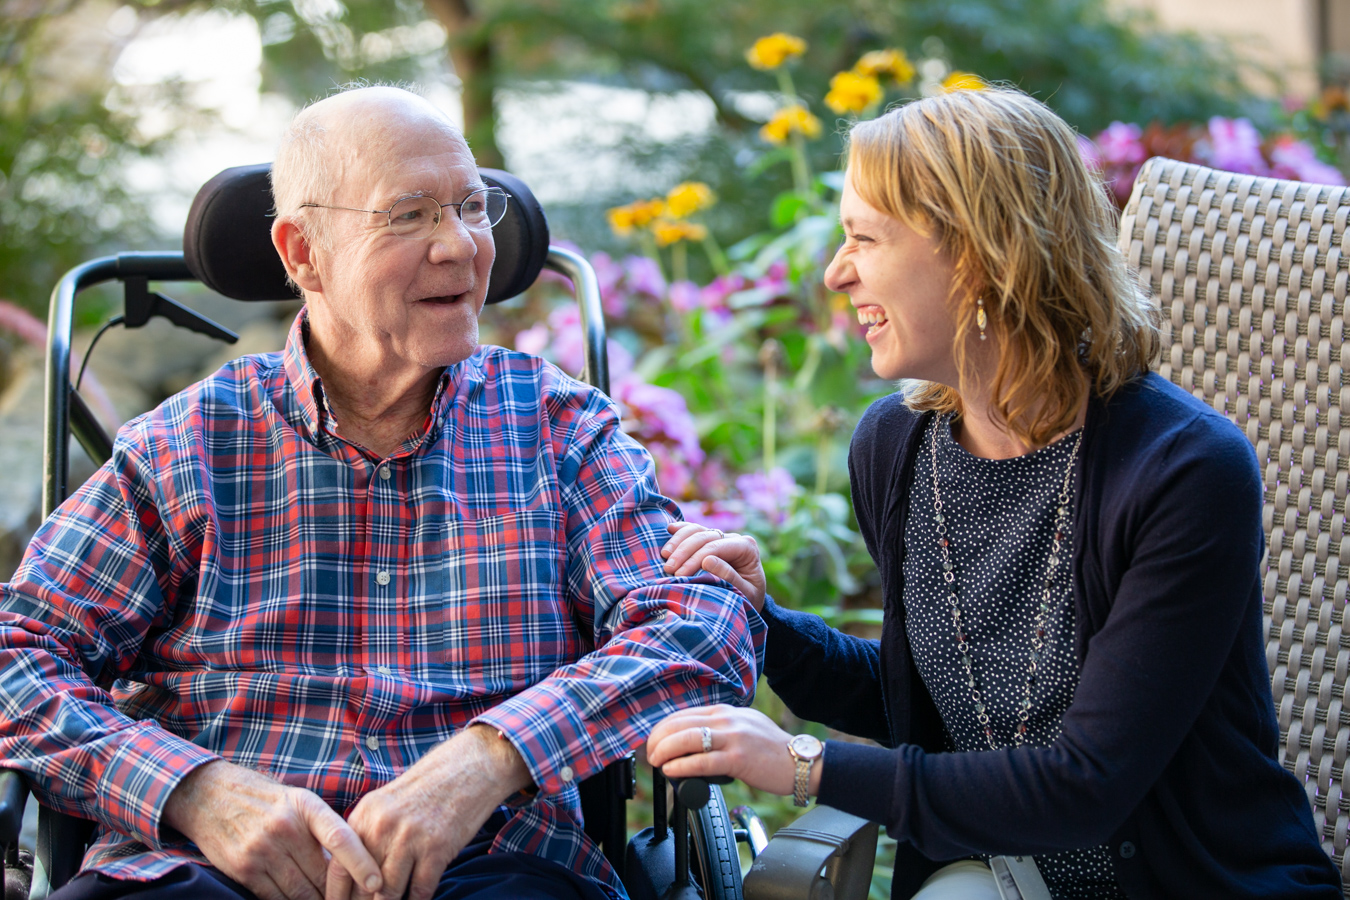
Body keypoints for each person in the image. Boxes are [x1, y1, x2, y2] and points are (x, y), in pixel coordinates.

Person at [0, 86, 763, 900]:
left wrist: (490, 759)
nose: (461, 247)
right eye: (409, 215)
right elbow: (19, 651)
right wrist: (193, 790)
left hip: (489, 867)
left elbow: (701, 624)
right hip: (205, 870)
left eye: (473, 208)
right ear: (302, 253)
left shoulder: (560, 429)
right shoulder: (187, 446)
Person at [646, 87, 1343, 899]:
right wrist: (759, 625)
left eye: (863, 239)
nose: (837, 273)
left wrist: (803, 766)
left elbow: (1087, 785)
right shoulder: (894, 448)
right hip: (998, 878)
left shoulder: (1183, 470)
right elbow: (944, 703)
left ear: (976, 256)